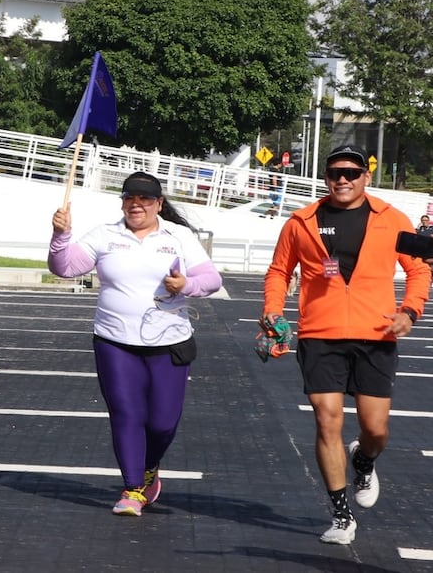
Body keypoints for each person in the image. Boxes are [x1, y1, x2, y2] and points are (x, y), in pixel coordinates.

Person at [263, 144, 430, 545]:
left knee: (375, 428)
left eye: (352, 172)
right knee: (327, 418)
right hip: (320, 334)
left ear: (365, 177)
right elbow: (279, 271)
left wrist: (409, 311)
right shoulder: (301, 222)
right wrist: (272, 312)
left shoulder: (392, 220)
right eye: (336, 172)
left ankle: (364, 458)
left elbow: (419, 269)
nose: (343, 179)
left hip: (378, 334)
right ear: (325, 177)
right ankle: (341, 515)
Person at [47, 171, 222, 517]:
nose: (136, 205)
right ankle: (132, 489)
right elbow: (64, 267)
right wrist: (60, 235)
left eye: (144, 199)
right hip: (114, 341)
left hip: (169, 341)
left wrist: (185, 285)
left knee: (163, 423)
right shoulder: (105, 235)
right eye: (130, 198)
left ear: (159, 204)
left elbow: (212, 279)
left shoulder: (179, 236)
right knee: (126, 413)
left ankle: (149, 467)